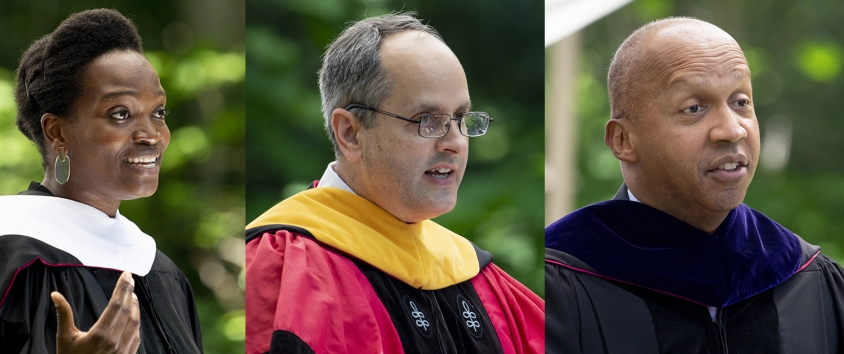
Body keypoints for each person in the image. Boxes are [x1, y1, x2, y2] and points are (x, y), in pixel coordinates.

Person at [245, 12, 544, 354]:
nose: (455, 142)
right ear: (350, 133)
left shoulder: (481, 280)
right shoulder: (284, 269)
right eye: (427, 120)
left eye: (461, 118)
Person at [545, 17, 844, 353]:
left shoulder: (812, 279)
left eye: (740, 102)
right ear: (623, 140)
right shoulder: (557, 285)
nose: (732, 130)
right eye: (694, 108)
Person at [0, 9, 202, 353]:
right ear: (57, 131)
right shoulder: (1, 250)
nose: (152, 135)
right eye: (120, 114)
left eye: (158, 113)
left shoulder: (160, 273)